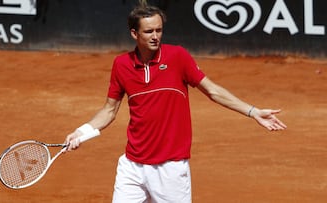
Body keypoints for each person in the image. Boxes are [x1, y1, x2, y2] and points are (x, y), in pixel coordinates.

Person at [64, 4, 287, 203]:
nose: (155, 36)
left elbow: (212, 90)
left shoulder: (177, 57)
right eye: (148, 31)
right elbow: (109, 110)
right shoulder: (121, 64)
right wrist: (81, 132)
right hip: (132, 165)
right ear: (134, 33)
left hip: (170, 168)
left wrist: (253, 111)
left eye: (159, 30)